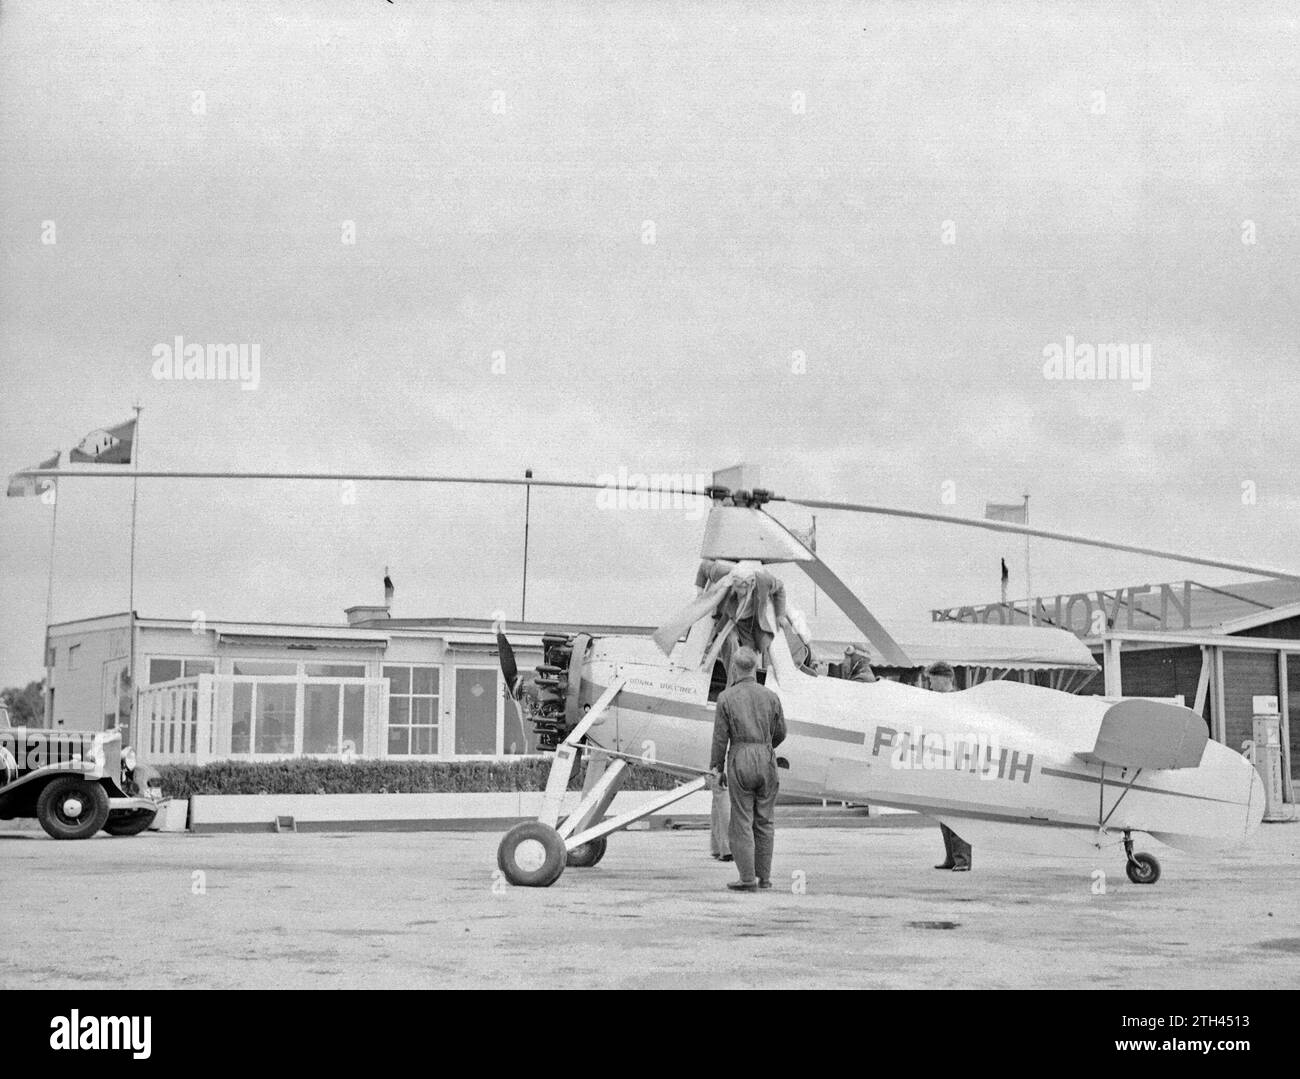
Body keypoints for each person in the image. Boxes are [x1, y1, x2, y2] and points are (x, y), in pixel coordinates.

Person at [710, 647, 787, 892]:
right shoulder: (771, 696)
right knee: (765, 821)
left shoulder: (726, 698)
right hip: (766, 757)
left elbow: (720, 739)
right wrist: (765, 747)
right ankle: (764, 878)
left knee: (741, 821)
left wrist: (717, 768)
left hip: (740, 757)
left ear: (734, 667)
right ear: (755, 668)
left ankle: (746, 879)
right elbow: (781, 732)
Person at [925, 661, 972, 873]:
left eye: (932, 679)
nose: (930, 683)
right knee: (944, 813)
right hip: (942, 761)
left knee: (956, 813)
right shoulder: (937, 701)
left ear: (944, 678)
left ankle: (963, 859)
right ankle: (951, 858)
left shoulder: (959, 701)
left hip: (957, 762)